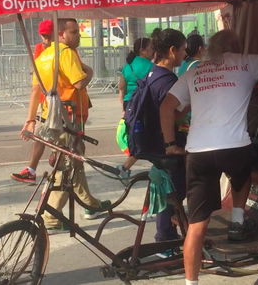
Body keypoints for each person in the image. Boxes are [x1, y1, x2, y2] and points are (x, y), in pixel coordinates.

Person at [160, 29, 258, 285]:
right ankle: (237, 221)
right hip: (235, 148)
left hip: (199, 152)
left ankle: (191, 282)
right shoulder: (247, 62)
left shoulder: (194, 71)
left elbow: (167, 107)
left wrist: (171, 143)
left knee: (197, 225)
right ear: (237, 47)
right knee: (244, 171)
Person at [19, 18, 110, 233]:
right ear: (61, 35)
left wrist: (30, 119)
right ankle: (51, 215)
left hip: (53, 116)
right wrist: (89, 72)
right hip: (69, 116)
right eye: (74, 32)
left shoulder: (43, 57)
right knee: (66, 164)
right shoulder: (65, 53)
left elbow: (35, 91)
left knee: (74, 161)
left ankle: (90, 204)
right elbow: (79, 82)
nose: (78, 35)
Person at [133, 29, 188, 254]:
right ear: (172, 50)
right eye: (183, 50)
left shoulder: (152, 73)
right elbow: (171, 114)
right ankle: (165, 240)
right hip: (167, 143)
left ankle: (166, 237)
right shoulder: (168, 81)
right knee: (174, 190)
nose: (185, 54)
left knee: (166, 188)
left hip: (154, 141)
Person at [12, 20, 59, 184]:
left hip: (58, 102)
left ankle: (65, 171)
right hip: (44, 101)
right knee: (39, 136)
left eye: (49, 36)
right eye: (43, 36)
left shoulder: (63, 50)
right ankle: (31, 170)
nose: (46, 40)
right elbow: (37, 73)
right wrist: (30, 119)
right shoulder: (40, 49)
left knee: (58, 140)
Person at [116, 38, 154, 178]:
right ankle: (125, 168)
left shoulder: (128, 67)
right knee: (147, 138)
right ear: (142, 50)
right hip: (144, 105)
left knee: (136, 137)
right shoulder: (151, 66)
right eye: (151, 48)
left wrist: (124, 107)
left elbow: (121, 89)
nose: (153, 51)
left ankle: (125, 168)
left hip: (129, 105)